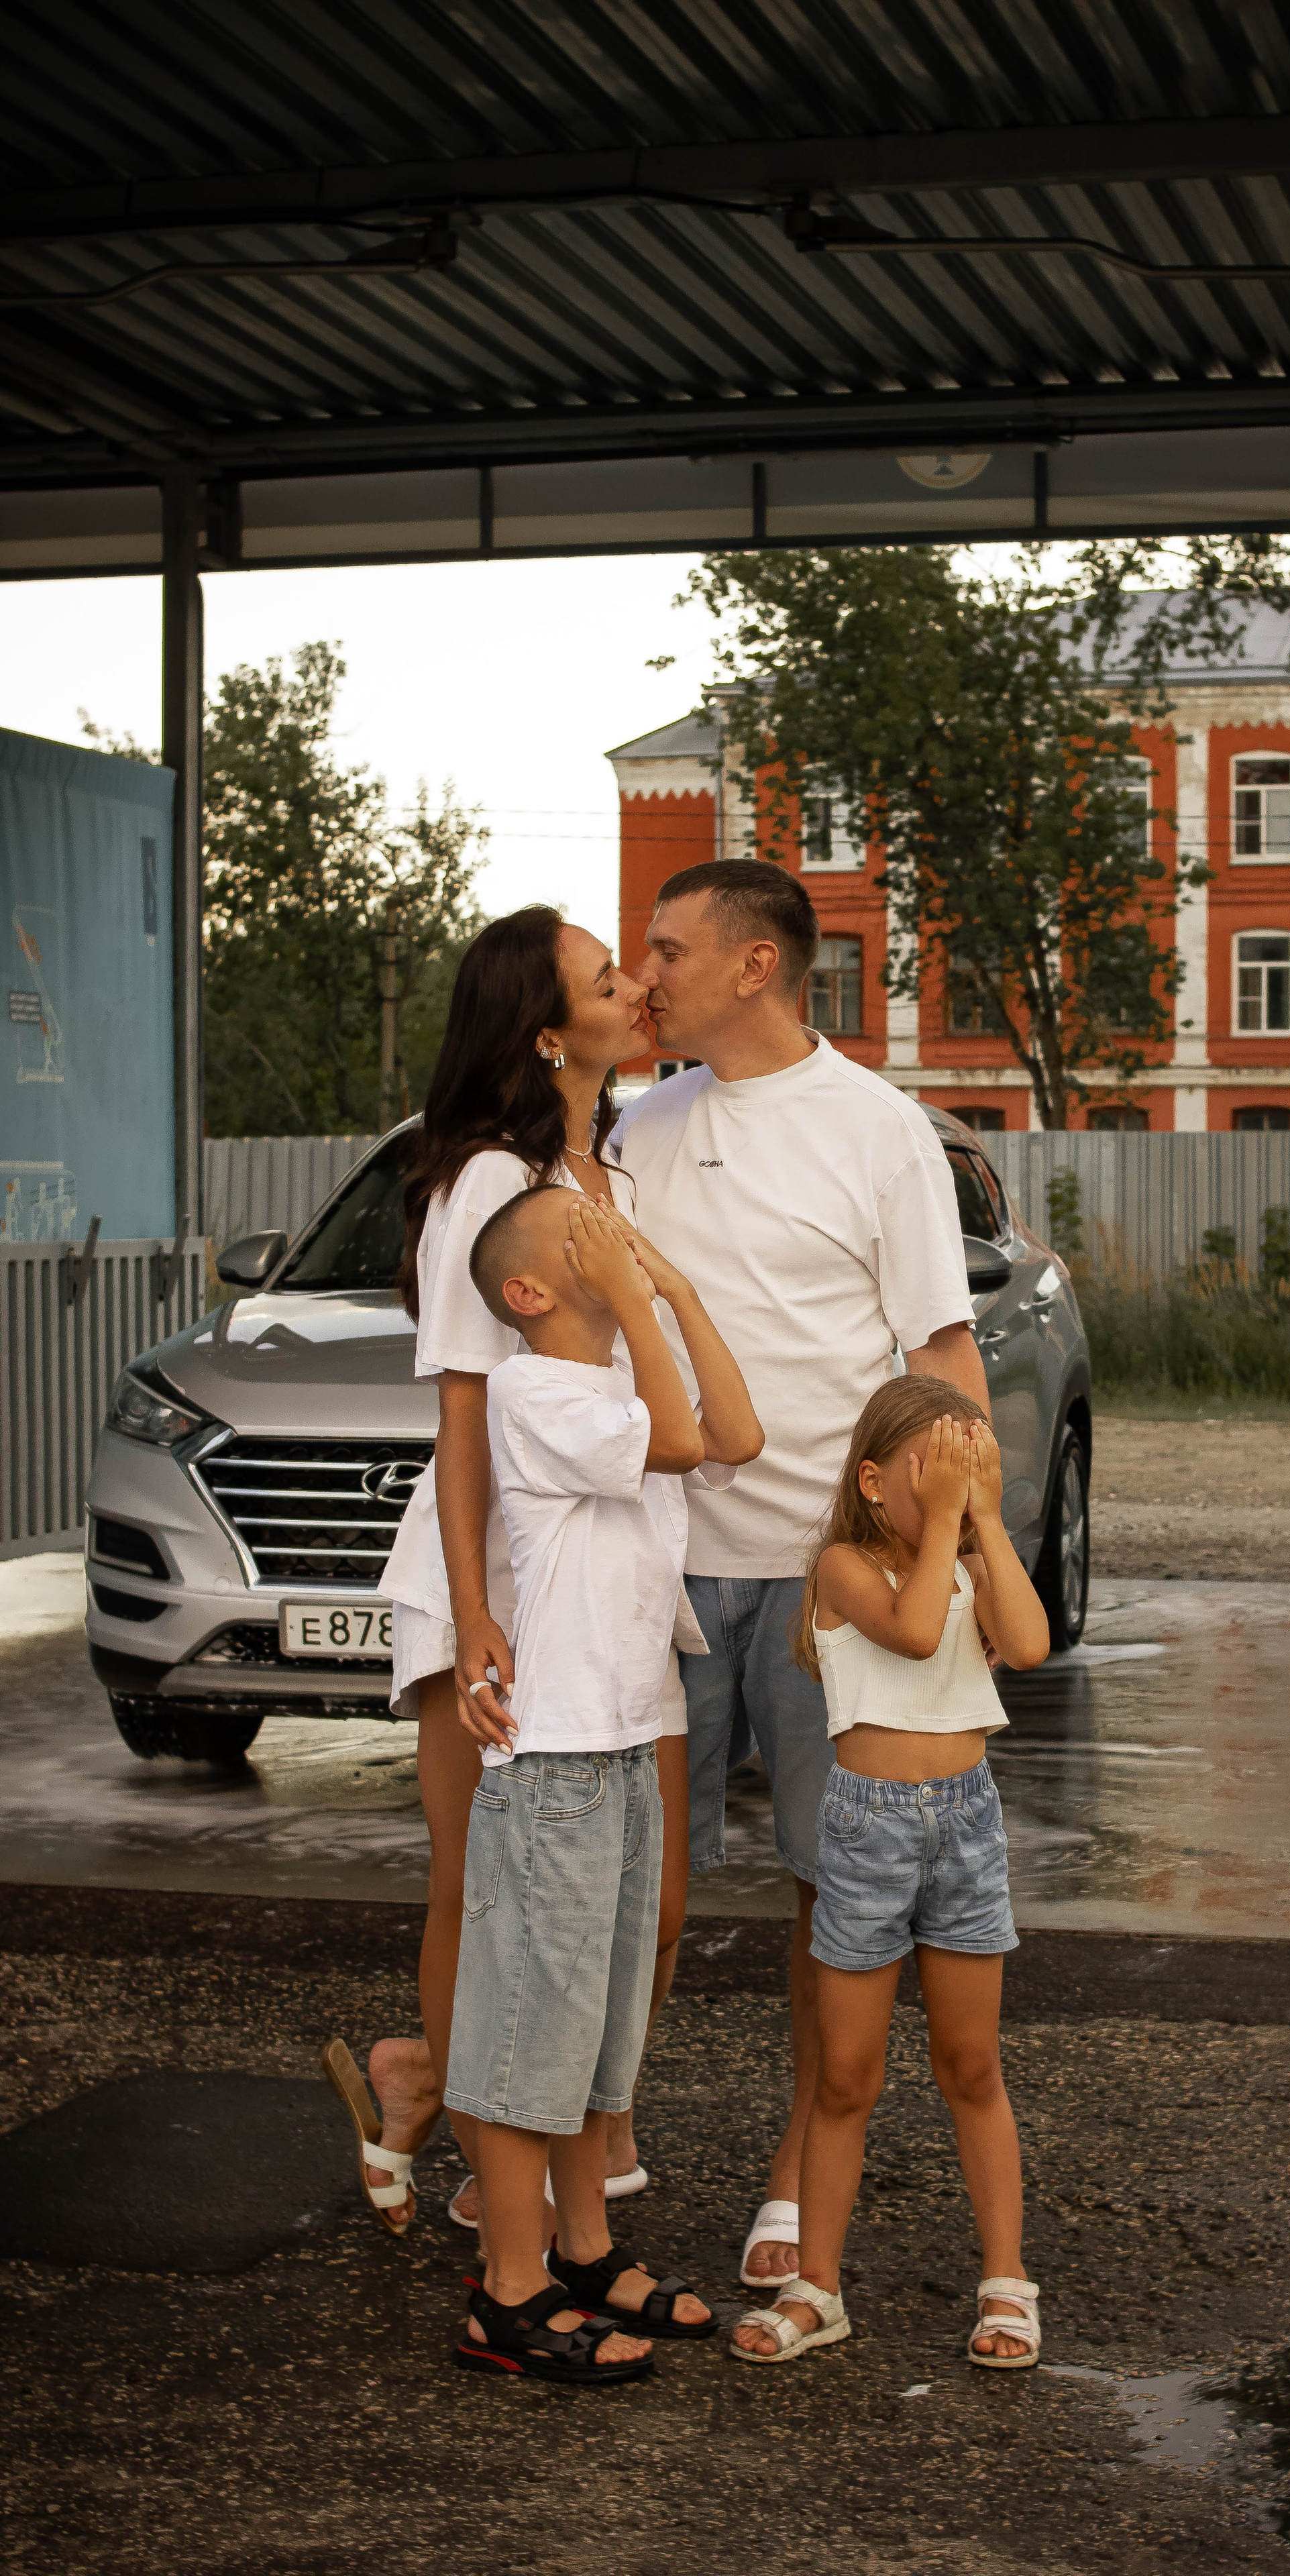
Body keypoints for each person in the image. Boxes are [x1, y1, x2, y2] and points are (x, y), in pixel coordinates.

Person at [610, 857, 986, 2290]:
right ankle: (601, 2134)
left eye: (666, 949)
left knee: (835, 1888)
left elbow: (939, 1360)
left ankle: (791, 2175)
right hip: (657, 1563)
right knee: (637, 1873)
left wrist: (950, 1561)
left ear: (752, 966)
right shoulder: (641, 1125)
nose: (647, 975)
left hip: (823, 1582)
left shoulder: (878, 1130)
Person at [321, 908, 683, 2238]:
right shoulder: (482, 1183)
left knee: (628, 1889)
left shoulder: (614, 1179)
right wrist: (480, 1619)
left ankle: (426, 2079)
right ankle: (505, 2186)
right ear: (547, 1034)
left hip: (614, 1580)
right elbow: (465, 1419)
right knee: (484, 1881)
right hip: (503, 1574)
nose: (637, 987)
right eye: (607, 980)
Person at [447, 1185, 761, 2384]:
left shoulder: (619, 1393)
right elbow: (682, 1443)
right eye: (581, 1240)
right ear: (528, 1293)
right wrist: (636, 1292)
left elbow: (734, 1437)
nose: (610, 1242)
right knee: (537, 2022)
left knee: (598, 2023)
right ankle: (510, 2292)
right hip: (558, 1762)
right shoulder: (536, 1392)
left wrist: (671, 1289)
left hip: (625, 1743)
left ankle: (583, 2248)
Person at [730, 1379, 1048, 2370]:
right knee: (845, 2076)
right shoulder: (841, 1567)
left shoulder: (970, 1564)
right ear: (873, 1481)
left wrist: (981, 1517)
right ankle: (816, 2287)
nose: (953, 1488)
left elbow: (1029, 1647)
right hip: (867, 1832)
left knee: (971, 2066)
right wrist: (953, 1514)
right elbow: (913, 1631)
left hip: (965, 1824)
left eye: (969, 1465)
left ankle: (1007, 2285)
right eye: (932, 1471)